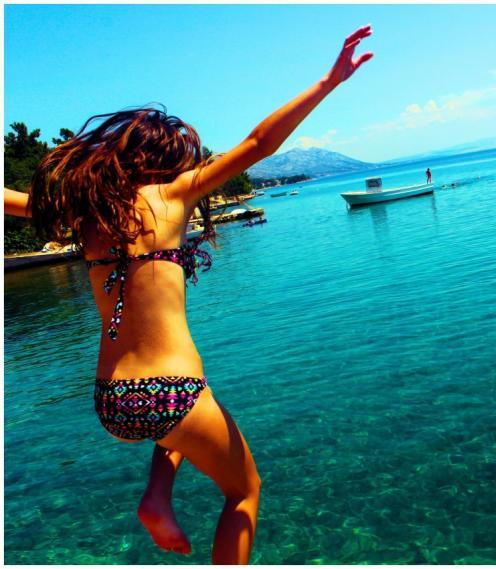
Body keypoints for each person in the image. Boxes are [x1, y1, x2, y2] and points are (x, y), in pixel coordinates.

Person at [14, 25, 373, 564]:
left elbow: (13, 201)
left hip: (112, 402)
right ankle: (161, 501)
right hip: (173, 391)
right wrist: (328, 82)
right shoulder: (175, 193)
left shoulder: (85, 213)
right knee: (244, 491)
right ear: (167, 158)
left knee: (176, 428)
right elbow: (259, 144)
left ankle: (157, 497)